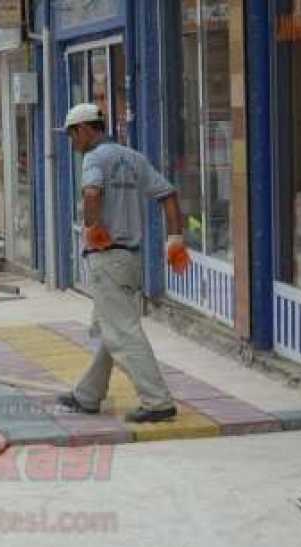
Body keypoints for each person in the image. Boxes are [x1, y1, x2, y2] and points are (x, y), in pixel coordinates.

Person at [54, 103, 190, 424]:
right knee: (110, 327)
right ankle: (88, 395)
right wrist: (175, 238)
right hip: (131, 258)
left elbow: (91, 193)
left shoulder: (94, 158)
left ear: (86, 129)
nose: (72, 142)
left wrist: (92, 227)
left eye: (72, 134)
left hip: (109, 257)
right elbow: (168, 195)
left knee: (123, 333)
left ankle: (157, 401)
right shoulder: (134, 158)